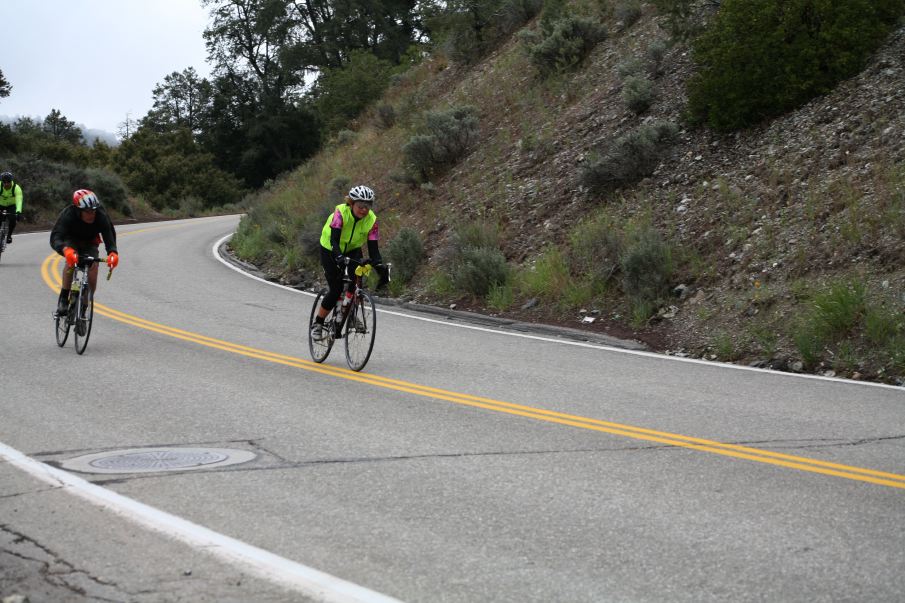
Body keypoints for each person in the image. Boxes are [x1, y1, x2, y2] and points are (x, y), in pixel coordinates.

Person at [310, 185, 385, 340]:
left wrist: (378, 264)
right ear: (351, 203)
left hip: (352, 250)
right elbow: (334, 240)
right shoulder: (341, 213)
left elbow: (374, 249)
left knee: (356, 281)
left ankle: (350, 314)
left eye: (368, 206)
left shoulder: (372, 221)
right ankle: (318, 323)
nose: (364, 210)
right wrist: (338, 257)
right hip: (330, 248)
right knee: (336, 289)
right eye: (360, 206)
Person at [50, 189, 119, 316]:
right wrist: (65, 250)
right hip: (71, 240)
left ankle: (84, 306)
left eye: (93, 210)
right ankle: (64, 298)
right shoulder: (68, 214)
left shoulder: (100, 215)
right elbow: (55, 237)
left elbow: (109, 235)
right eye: (87, 211)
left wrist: (112, 252)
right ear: (78, 210)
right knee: (71, 262)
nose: (91, 214)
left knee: (93, 267)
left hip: (90, 242)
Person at [0, 171, 23, 244]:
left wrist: (18, 212)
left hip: (11, 205)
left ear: (11, 181)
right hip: (0, 204)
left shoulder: (16, 188)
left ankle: (9, 235)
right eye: (4, 182)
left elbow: (19, 200)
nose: (6, 184)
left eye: (8, 182)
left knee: (13, 219)